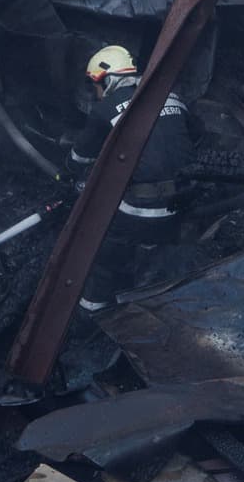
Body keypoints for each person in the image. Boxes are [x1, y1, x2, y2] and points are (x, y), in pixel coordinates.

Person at [67, 45, 191, 311]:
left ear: (107, 79)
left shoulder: (105, 110)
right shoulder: (171, 96)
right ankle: (146, 263)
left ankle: (92, 311)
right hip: (182, 205)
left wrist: (68, 172)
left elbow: (79, 158)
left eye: (95, 85)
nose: (96, 93)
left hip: (139, 212)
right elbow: (191, 136)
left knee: (101, 248)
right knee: (153, 250)